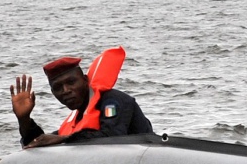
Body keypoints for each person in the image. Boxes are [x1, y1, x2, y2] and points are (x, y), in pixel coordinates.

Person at [10, 51, 154, 150]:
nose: (66, 90)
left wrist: (63, 139)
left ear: (85, 80)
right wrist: (24, 120)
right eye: (58, 87)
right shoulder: (76, 119)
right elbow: (39, 142)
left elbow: (112, 136)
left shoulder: (113, 101)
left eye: (71, 82)